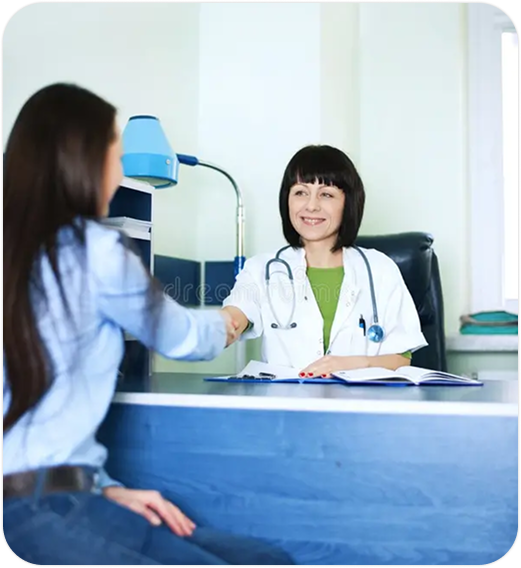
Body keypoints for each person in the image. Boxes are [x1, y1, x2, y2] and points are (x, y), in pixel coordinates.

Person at [3, 83, 293, 565]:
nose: (120, 174)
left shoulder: (23, 253)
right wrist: (230, 321)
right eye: (116, 157)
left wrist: (102, 487)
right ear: (82, 162)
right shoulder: (94, 251)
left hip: (65, 495)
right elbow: (182, 337)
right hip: (46, 509)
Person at [222, 144, 427, 377]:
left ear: (348, 202)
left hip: (362, 398)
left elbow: (401, 359)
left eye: (326, 194)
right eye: (300, 192)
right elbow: (235, 316)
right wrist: (220, 326)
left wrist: (347, 365)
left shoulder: (380, 269)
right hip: (285, 398)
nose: (311, 206)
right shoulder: (262, 269)